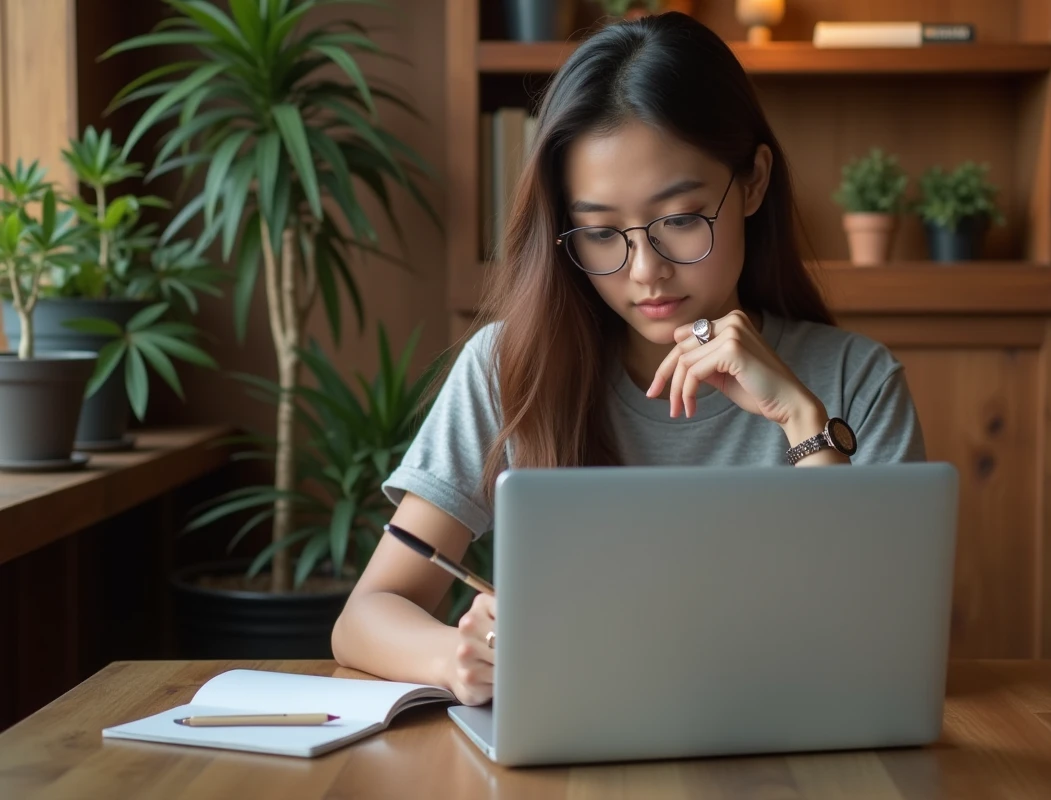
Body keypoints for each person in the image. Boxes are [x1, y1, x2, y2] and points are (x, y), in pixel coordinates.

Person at [331, 12, 925, 705]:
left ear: (754, 181)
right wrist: (456, 655)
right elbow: (364, 617)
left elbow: (892, 641)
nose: (645, 272)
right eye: (601, 232)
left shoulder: (856, 380)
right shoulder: (508, 369)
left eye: (679, 220)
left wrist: (801, 419)